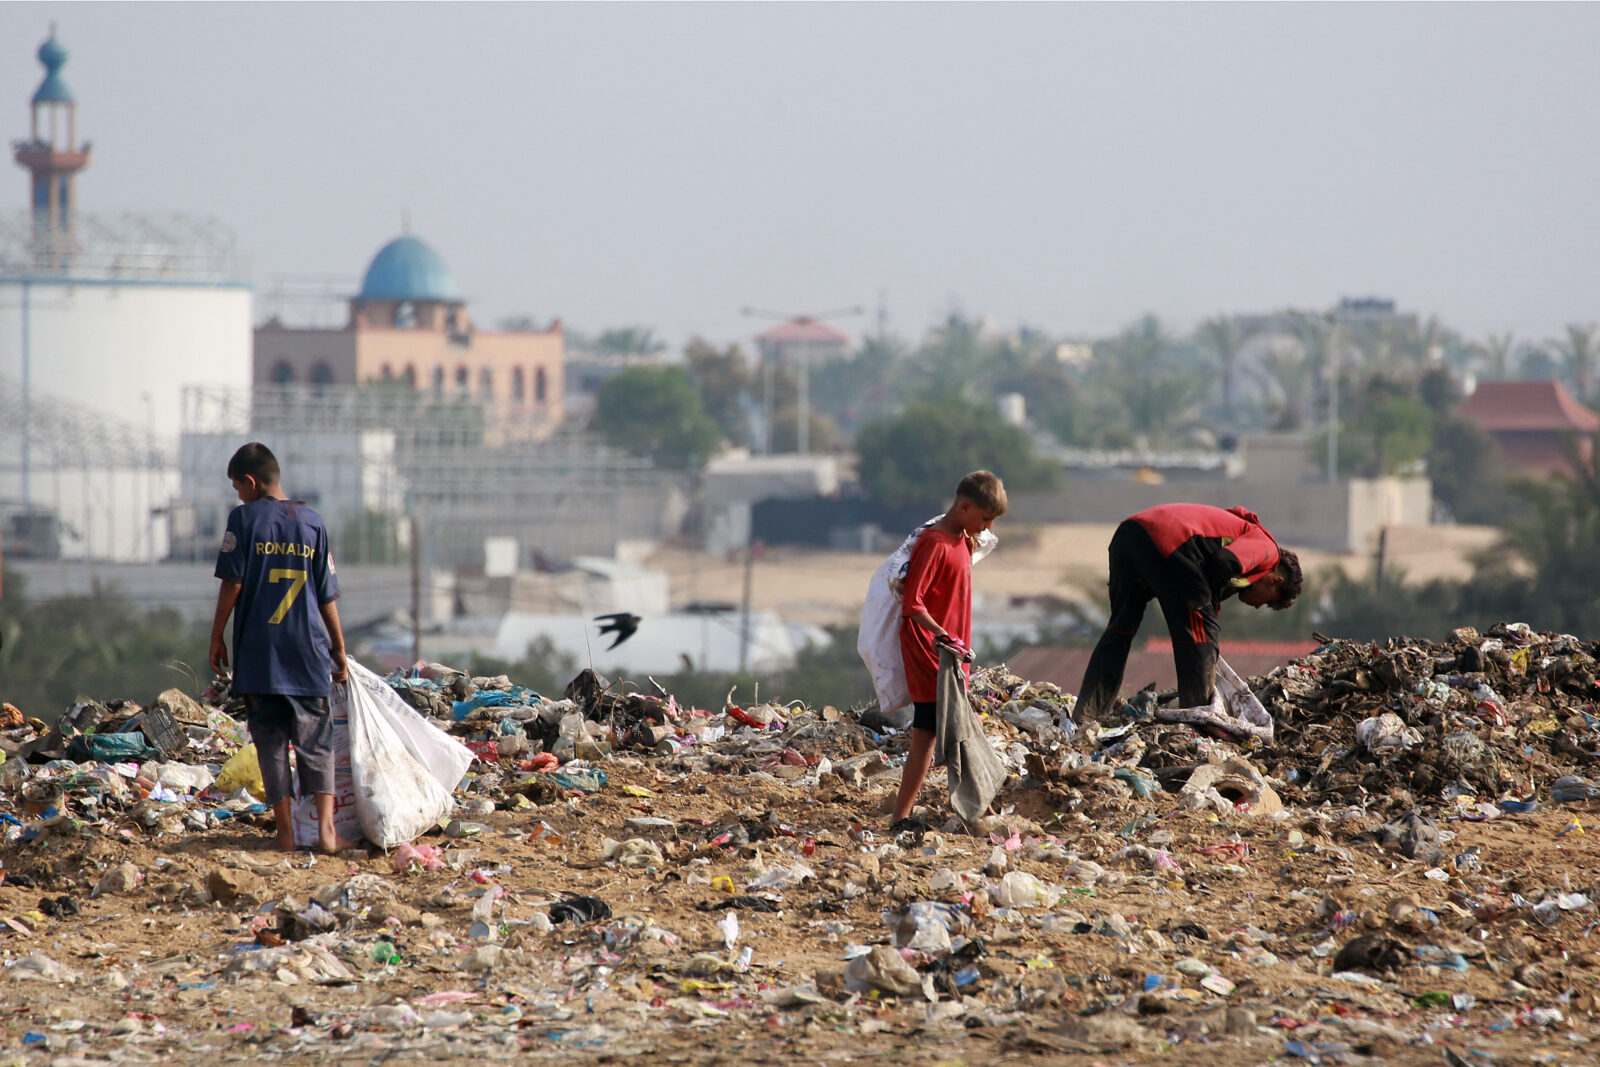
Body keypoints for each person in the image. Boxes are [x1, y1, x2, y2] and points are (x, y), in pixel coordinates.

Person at [208, 442, 353, 853]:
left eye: (238, 487)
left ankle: (286, 836)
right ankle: (327, 833)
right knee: (316, 743)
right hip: (308, 653)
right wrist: (338, 649)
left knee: (270, 743)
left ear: (251, 482)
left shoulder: (244, 519)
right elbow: (327, 596)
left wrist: (217, 635)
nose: (238, 495)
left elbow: (232, 583)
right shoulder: (313, 523)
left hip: (260, 655)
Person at [1076, 503, 1301, 720]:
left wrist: (1207, 606)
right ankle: (1198, 721)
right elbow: (1224, 562)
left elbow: (1213, 568)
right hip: (1168, 542)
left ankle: (1088, 715)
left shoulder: (1237, 531)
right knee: (1201, 635)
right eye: (1267, 601)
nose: (1257, 606)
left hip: (1129, 535)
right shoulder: (1268, 549)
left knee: (1120, 631)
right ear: (1275, 580)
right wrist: (1206, 613)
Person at [890, 470, 1007, 824]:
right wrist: (943, 636)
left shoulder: (963, 540)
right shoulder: (935, 543)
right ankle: (908, 816)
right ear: (965, 506)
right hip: (929, 650)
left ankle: (909, 814)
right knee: (937, 732)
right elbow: (913, 604)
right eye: (985, 519)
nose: (987, 528)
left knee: (939, 731)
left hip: (950, 652)